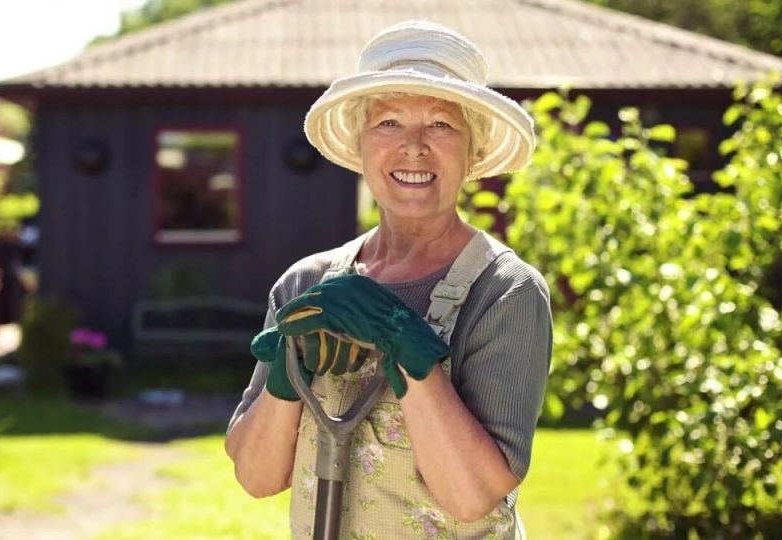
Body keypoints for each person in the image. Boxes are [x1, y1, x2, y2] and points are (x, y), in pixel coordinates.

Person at [225, 20, 552, 540]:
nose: (414, 147)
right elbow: (256, 476)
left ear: (473, 155)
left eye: (441, 125)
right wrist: (285, 380)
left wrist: (408, 347)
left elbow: (471, 495)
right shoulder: (305, 285)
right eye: (390, 123)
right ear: (361, 145)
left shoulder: (504, 291)